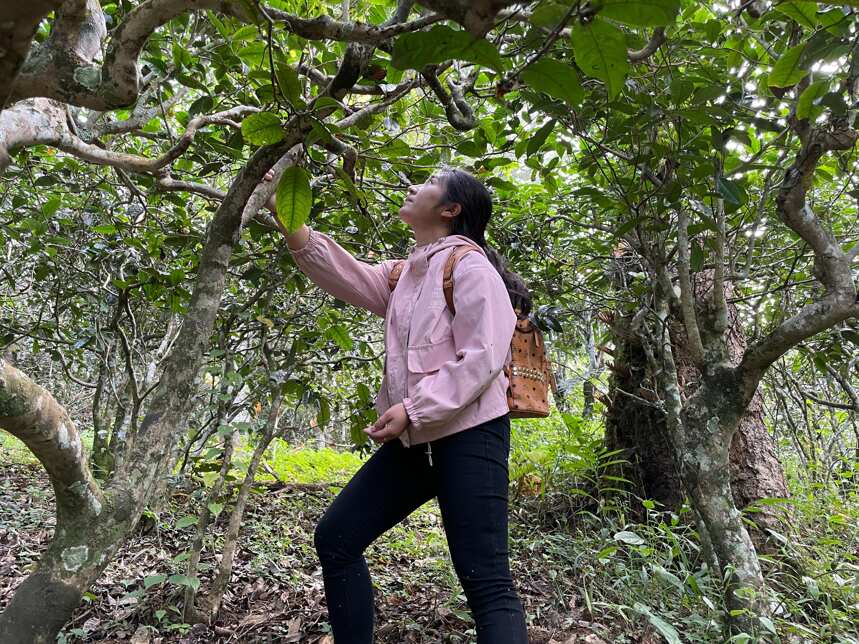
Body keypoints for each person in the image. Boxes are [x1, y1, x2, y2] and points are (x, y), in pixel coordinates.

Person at [267, 167, 531, 644]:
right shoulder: (410, 273)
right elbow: (345, 273)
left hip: (471, 436)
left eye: (428, 183)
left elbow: (485, 356)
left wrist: (413, 408)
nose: (413, 187)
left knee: (486, 582)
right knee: (337, 539)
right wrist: (284, 208)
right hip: (418, 442)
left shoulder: (469, 267)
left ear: (451, 210)